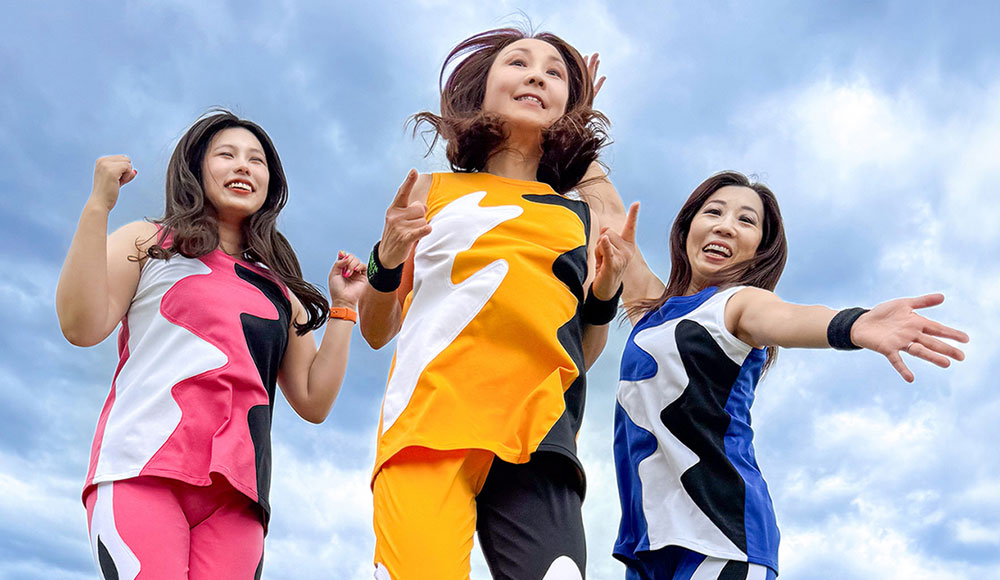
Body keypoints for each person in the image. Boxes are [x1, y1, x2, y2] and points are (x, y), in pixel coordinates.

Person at [358, 28, 636, 580]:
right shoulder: (428, 191)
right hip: (429, 423)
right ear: (480, 89)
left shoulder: (580, 217)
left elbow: (587, 346)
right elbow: (375, 327)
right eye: (518, 63)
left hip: (540, 434)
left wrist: (605, 295)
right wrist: (386, 259)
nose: (537, 75)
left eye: (555, 72)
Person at [592, 171, 968, 579]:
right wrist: (563, 119)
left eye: (746, 221)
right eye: (713, 212)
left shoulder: (738, 304)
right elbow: (607, 206)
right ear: (687, 227)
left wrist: (854, 325)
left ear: (759, 250)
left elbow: (793, 317)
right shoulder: (653, 312)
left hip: (724, 539)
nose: (725, 225)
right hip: (651, 546)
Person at [55, 110, 366, 579]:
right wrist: (99, 205)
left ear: (271, 182)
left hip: (240, 495)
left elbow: (313, 399)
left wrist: (344, 308)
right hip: (143, 467)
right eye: (227, 155)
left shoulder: (280, 288)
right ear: (197, 167)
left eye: (256, 160)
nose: (243, 166)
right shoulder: (150, 242)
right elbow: (81, 326)